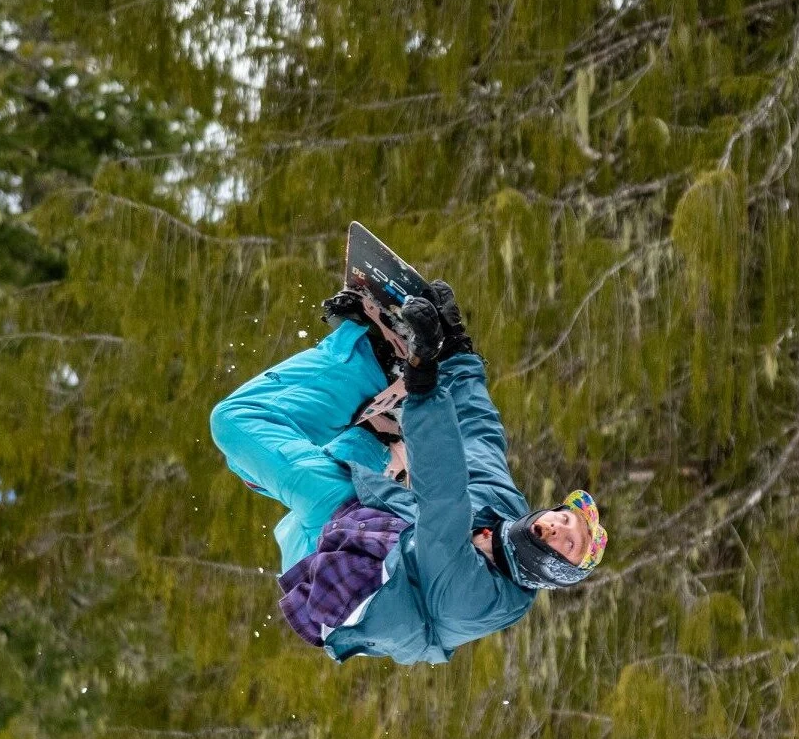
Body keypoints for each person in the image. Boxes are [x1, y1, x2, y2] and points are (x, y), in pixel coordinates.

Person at [208, 281, 607, 664]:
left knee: (235, 423)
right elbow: (480, 439)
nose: (559, 528)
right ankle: (378, 428)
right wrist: (457, 355)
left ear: (554, 571)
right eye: (566, 518)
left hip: (344, 573)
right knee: (262, 456)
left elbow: (444, 502)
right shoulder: (505, 513)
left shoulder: (479, 601)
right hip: (373, 517)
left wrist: (424, 382)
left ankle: (366, 364)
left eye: (568, 545)